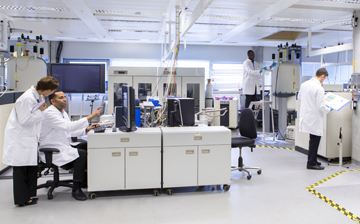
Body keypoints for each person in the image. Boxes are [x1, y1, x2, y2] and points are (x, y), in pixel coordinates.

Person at [2, 76, 59, 206]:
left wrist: (40, 112)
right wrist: (41, 111)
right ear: (48, 89)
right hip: (20, 139)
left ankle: (30, 195)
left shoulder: (37, 96)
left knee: (31, 168)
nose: (52, 93)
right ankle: (22, 199)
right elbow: (24, 120)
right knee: (21, 170)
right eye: (52, 90)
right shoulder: (26, 98)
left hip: (29, 138)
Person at [38, 91, 102, 201]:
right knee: (81, 155)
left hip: (62, 146)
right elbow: (68, 127)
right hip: (52, 150)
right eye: (61, 97)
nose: (64, 99)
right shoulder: (49, 113)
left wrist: (86, 129)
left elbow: (69, 132)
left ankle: (84, 181)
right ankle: (76, 189)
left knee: (85, 145)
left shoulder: (62, 112)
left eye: (65, 97)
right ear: (53, 101)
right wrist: (91, 116)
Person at [298, 68, 332, 170]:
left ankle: (313, 159)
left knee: (312, 139)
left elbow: (299, 98)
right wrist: (328, 110)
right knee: (315, 140)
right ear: (322, 76)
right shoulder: (319, 88)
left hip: (306, 116)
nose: (323, 80)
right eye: (324, 78)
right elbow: (321, 105)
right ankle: (311, 163)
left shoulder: (304, 84)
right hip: (314, 118)